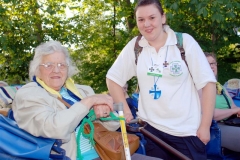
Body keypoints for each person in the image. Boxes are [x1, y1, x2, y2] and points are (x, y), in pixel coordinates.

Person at [106, 0, 216, 159]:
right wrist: (125, 110)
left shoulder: (184, 43)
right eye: (141, 20)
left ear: (163, 18)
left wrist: (205, 126)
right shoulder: (136, 47)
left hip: (186, 133)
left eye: (152, 17)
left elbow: (208, 84)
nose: (147, 24)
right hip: (150, 133)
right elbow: (113, 78)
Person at [11, 40, 120, 160]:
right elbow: (53, 128)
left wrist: (104, 111)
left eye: (61, 65)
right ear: (37, 69)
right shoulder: (29, 94)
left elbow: (114, 124)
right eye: (49, 65)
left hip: (104, 153)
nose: (56, 70)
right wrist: (89, 102)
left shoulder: (82, 91)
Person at [204, 52, 240, 153]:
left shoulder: (220, 87)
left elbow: (233, 107)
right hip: (214, 128)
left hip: (229, 123)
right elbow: (209, 115)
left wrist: (236, 110)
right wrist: (234, 111)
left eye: (213, 63)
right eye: (207, 64)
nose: (211, 66)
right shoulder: (199, 88)